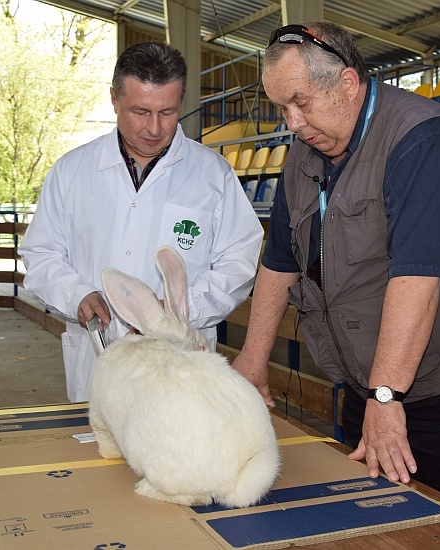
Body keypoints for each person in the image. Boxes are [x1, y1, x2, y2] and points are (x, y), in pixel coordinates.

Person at [232, 21, 440, 518]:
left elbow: (419, 277)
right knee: (375, 512)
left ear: (347, 83)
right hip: (370, 376)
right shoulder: (304, 155)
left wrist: (387, 396)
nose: (293, 123)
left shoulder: (425, 138)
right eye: (281, 108)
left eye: (301, 102)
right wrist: (254, 359)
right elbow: (280, 260)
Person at [19, 42, 263, 403]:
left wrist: (178, 312)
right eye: (140, 111)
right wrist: (77, 295)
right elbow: (41, 254)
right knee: (103, 449)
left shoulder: (214, 175)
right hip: (98, 353)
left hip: (179, 360)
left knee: (179, 448)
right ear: (114, 99)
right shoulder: (72, 172)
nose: (154, 127)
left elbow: (238, 262)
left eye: (167, 112)